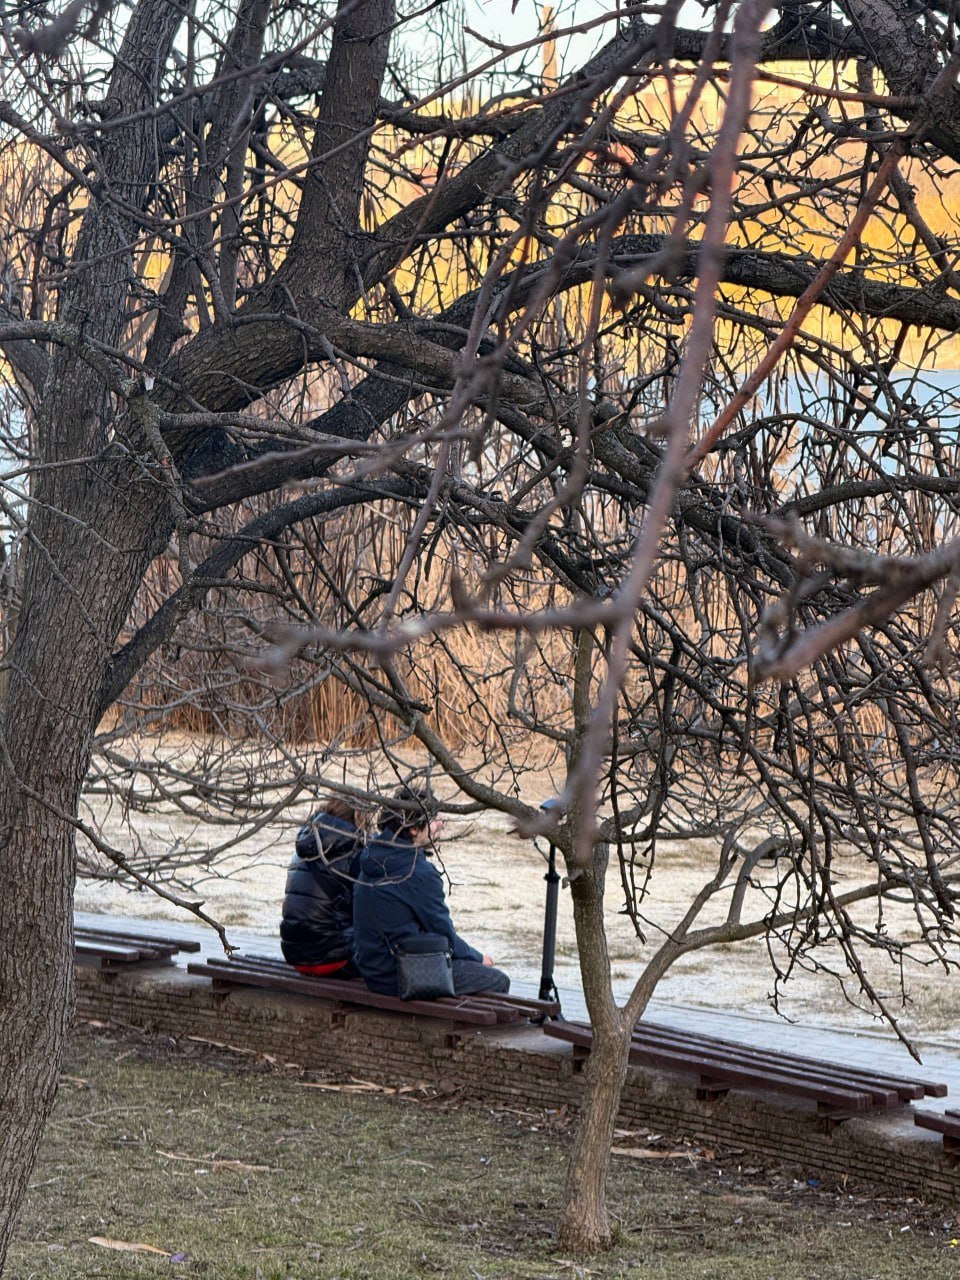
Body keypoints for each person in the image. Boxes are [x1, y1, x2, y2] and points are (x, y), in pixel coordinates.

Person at [353, 786, 510, 997]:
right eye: (434, 819)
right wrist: (479, 958)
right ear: (413, 829)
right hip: (404, 975)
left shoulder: (371, 856)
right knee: (497, 979)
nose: (440, 824)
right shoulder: (417, 872)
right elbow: (446, 936)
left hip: (374, 973)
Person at [280, 796, 364, 977]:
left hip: (296, 956)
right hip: (335, 959)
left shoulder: (303, 846)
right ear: (359, 818)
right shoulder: (354, 852)